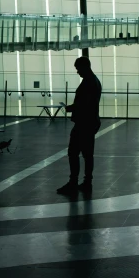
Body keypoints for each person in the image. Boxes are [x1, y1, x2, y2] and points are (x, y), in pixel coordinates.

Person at [57, 56, 102, 194]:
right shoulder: (94, 81)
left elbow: (84, 105)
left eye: (78, 69)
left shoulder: (88, 83)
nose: (77, 72)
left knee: (73, 153)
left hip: (84, 123)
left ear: (84, 67)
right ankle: (87, 181)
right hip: (90, 122)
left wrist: (71, 108)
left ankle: (73, 181)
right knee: (87, 154)